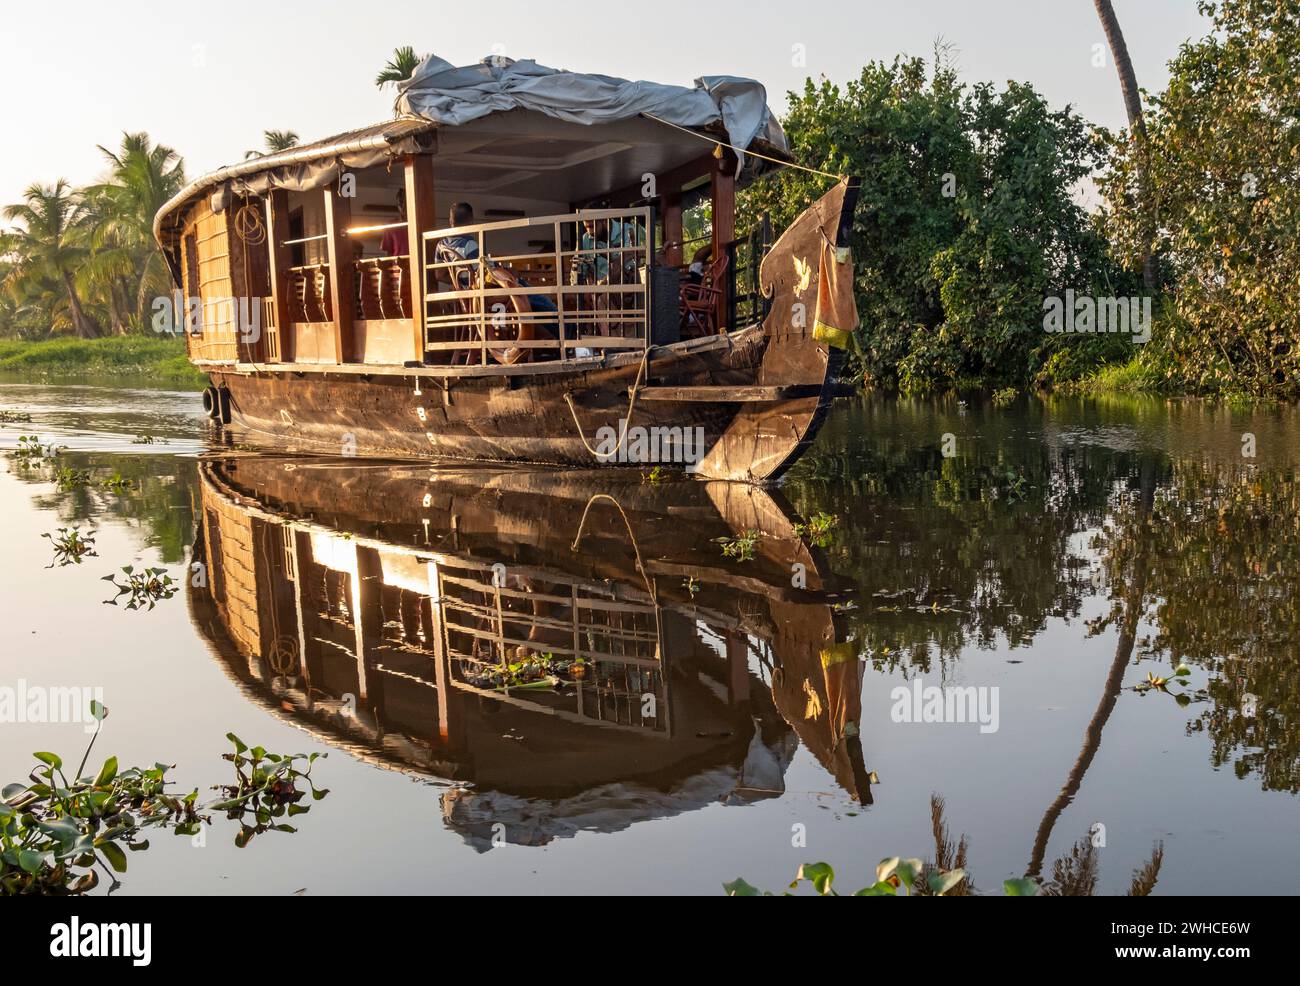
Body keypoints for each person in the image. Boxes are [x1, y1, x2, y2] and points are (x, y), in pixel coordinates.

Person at [380, 189, 409, 257]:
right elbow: (387, 251)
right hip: (397, 266)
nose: (403, 206)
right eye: (400, 203)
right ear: (397, 205)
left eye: (406, 202)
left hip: (415, 263)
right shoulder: (391, 225)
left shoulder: (419, 224)